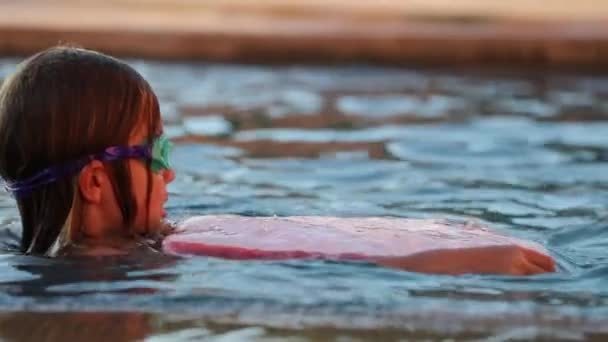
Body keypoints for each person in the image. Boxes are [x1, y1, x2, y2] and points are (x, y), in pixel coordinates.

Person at [0, 46, 555, 275]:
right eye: (158, 152)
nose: (169, 172)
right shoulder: (132, 274)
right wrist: (478, 260)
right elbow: (321, 259)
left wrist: (443, 236)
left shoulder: (139, 246)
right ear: (97, 181)